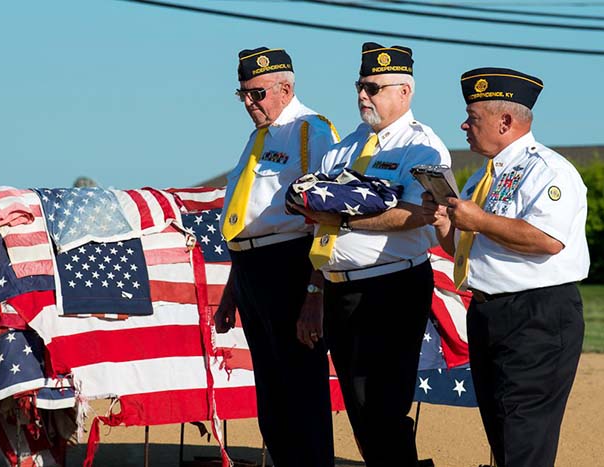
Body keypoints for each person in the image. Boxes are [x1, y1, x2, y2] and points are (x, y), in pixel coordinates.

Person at [422, 67, 589, 467]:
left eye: (472, 117)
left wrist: (478, 220)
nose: (463, 125)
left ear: (506, 121)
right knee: (502, 434)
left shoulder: (548, 170)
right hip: (488, 312)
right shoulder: (483, 177)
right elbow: (467, 249)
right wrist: (446, 223)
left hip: (537, 318)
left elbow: (547, 239)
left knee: (523, 439)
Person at [294, 42, 450, 466]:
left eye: (374, 87)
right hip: (339, 288)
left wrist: (340, 219)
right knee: (360, 407)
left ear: (405, 92)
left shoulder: (422, 147)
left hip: (392, 287)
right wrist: (314, 290)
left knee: (383, 404)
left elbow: (419, 213)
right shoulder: (343, 149)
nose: (363, 95)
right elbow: (315, 218)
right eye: (360, 86)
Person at [214, 47, 339, 467]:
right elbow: (248, 220)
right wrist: (233, 290)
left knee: (301, 393)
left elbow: (327, 218)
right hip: (252, 271)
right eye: (243, 95)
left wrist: (314, 293)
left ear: (285, 87)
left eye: (258, 94)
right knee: (272, 400)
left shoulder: (311, 131)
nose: (250, 103)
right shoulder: (258, 138)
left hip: (292, 267)